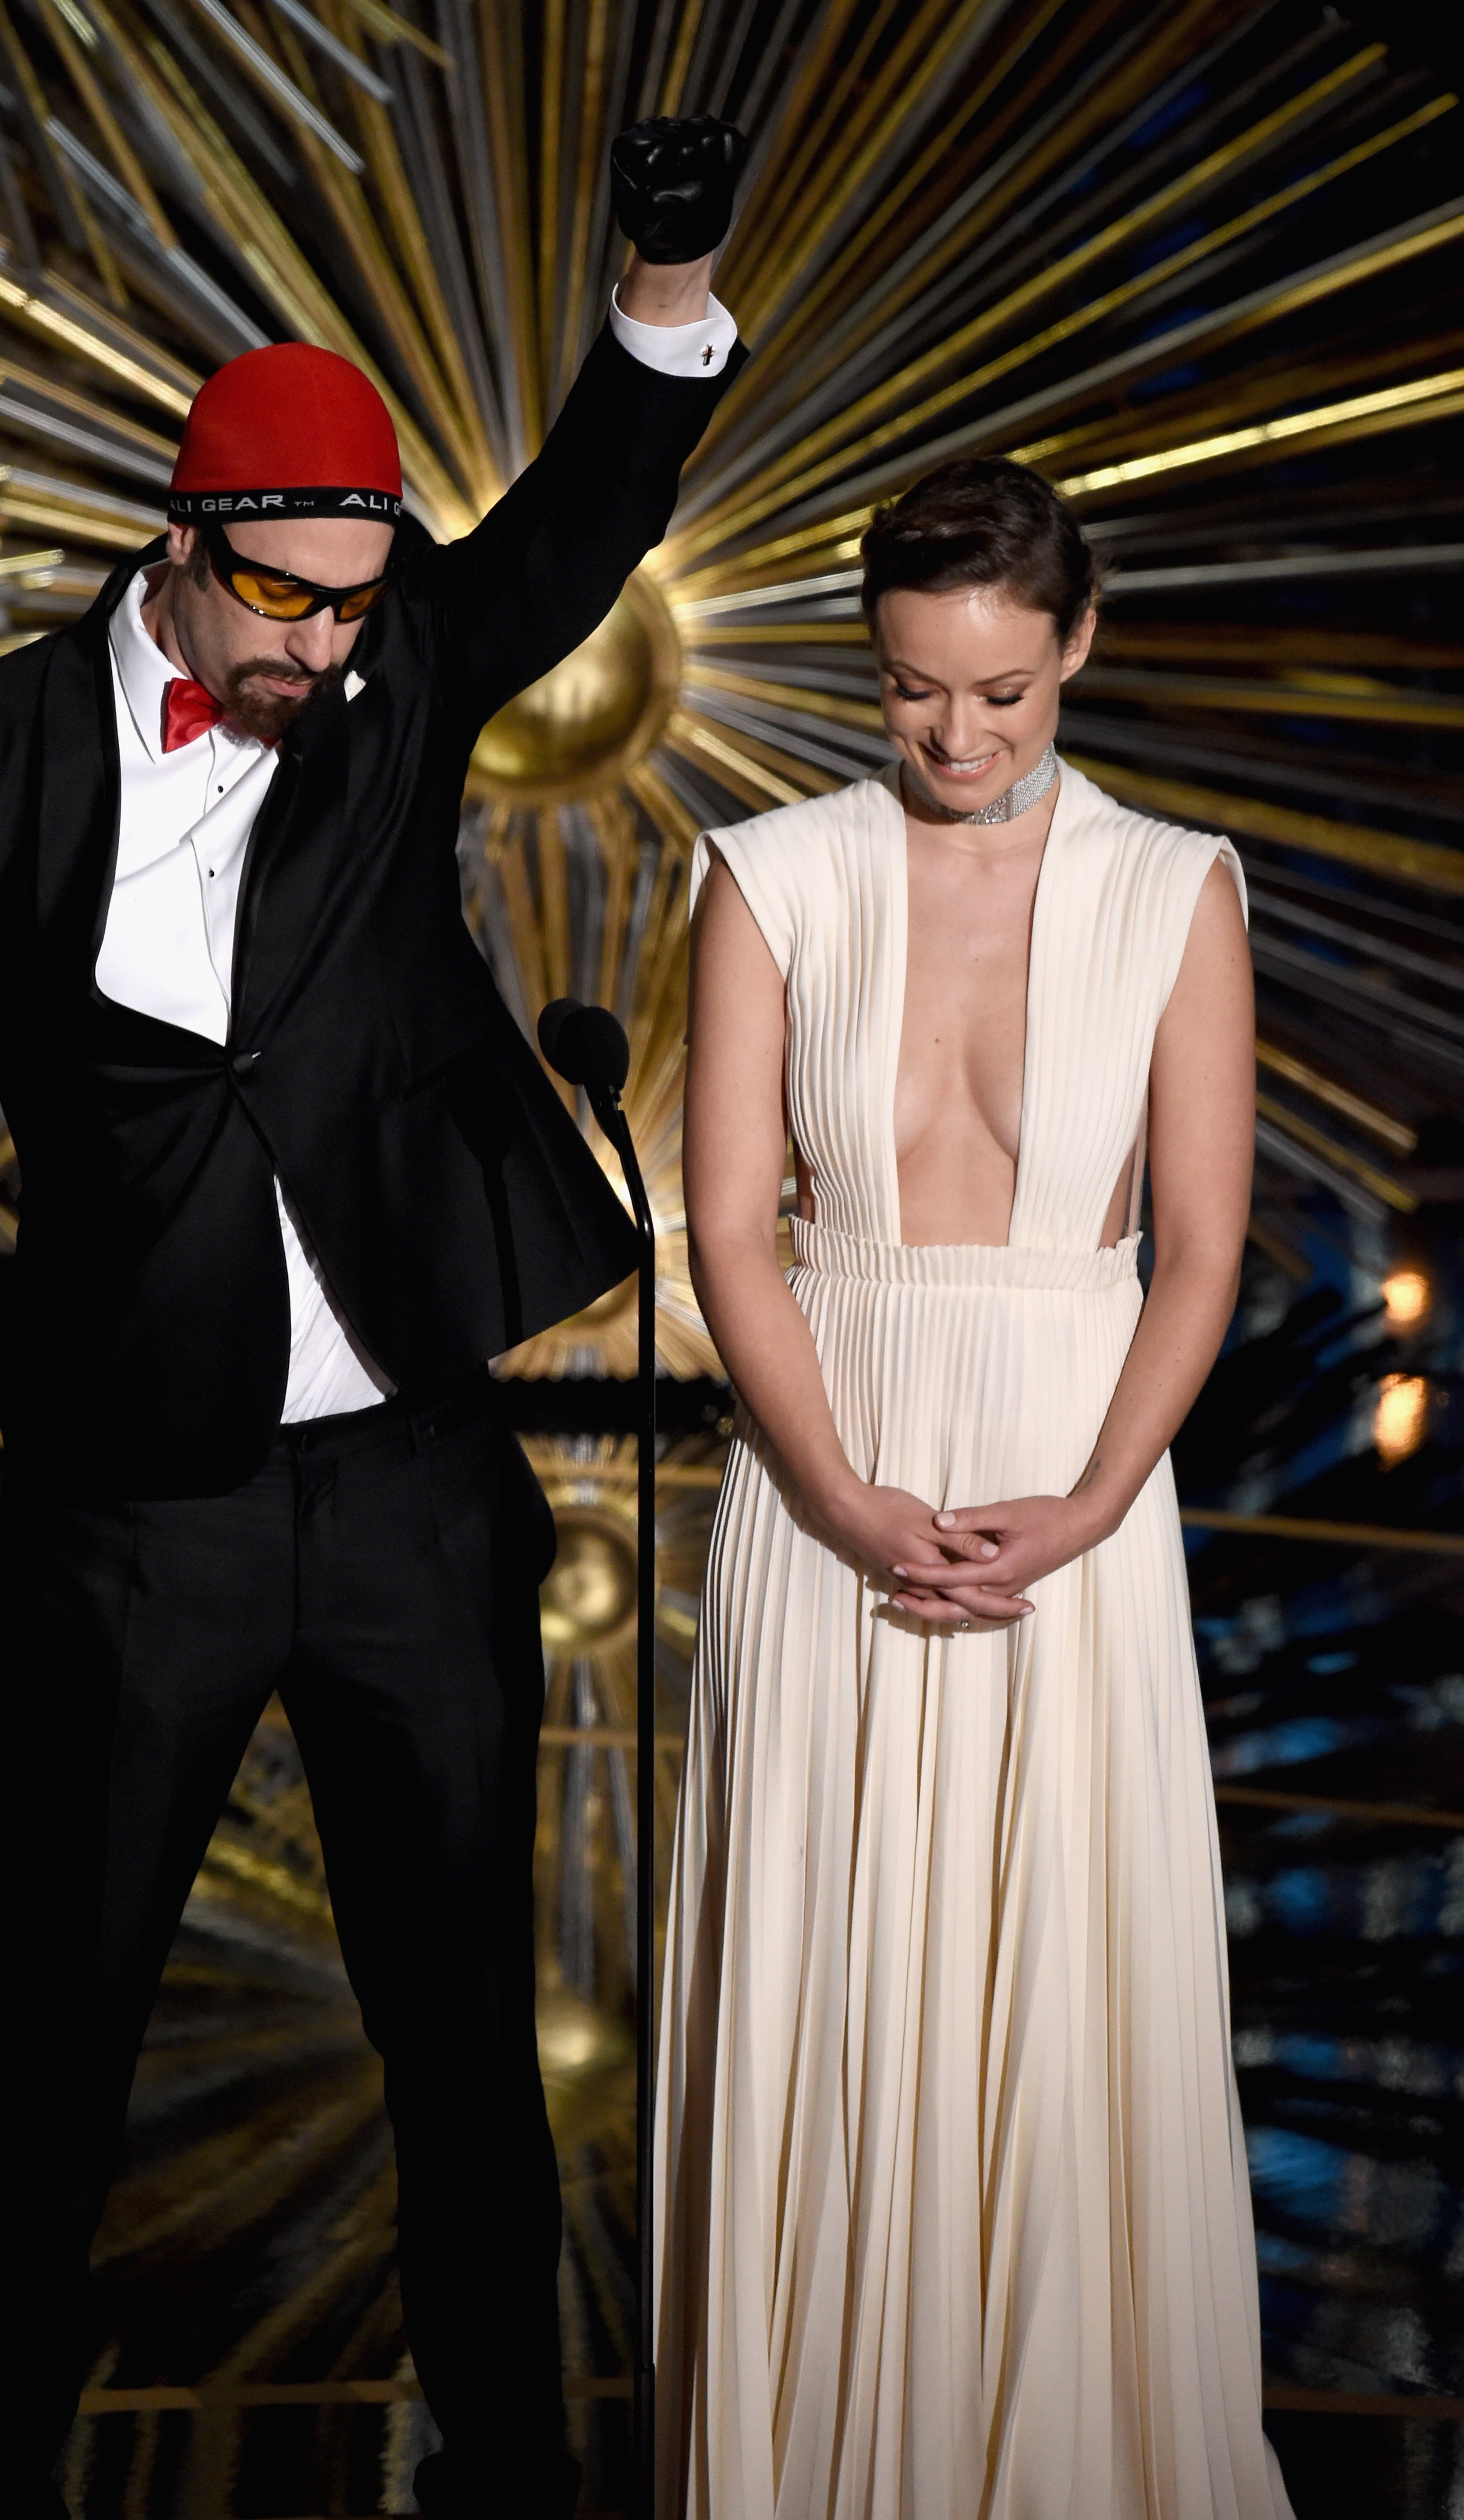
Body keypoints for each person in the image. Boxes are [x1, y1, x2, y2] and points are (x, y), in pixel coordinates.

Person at [0, 116, 746, 2520]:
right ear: (185, 537)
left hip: (416, 1493)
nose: (324, 651)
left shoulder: (399, 659)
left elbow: (577, 522)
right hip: (138, 1503)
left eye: (354, 608)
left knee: (465, 2067)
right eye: (288, 606)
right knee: (49, 2068)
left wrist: (664, 276)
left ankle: (517, 2489)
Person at [660, 456, 1293, 2519]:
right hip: (821, 1485)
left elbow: (1197, 1246)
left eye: (1007, 693)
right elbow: (733, 1233)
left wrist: (1102, 1496)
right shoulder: (763, 876)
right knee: (827, 2001)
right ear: (878, 654)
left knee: (1061, 2009)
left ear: (1077, 644)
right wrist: (839, 1496)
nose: (960, 735)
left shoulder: (1179, 885)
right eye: (921, 688)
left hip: (1073, 1497)